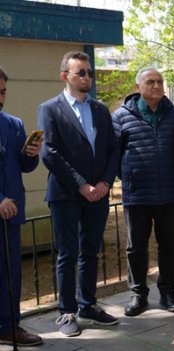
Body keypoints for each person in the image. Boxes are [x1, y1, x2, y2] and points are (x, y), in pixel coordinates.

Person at [38, 51, 120, 336]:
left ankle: (87, 305)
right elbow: (50, 153)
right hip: (66, 194)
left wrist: (105, 184)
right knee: (68, 254)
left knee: (91, 252)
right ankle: (67, 312)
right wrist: (81, 185)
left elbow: (112, 149)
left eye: (89, 72)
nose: (87, 77)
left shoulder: (100, 109)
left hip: (98, 194)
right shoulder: (50, 108)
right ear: (65, 76)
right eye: (81, 73)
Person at [112, 67, 174, 317]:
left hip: (168, 193)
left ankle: (167, 292)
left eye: (160, 81)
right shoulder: (121, 116)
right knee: (136, 247)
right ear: (138, 86)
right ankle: (138, 294)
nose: (156, 86)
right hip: (137, 194)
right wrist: (129, 175)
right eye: (150, 81)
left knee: (169, 245)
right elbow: (114, 154)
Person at [0, 67, 43, 346]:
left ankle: (9, 325)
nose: (0, 97)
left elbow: (23, 166)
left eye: (3, 91)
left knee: (10, 274)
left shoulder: (13, 124)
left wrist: (31, 154)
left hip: (11, 214)